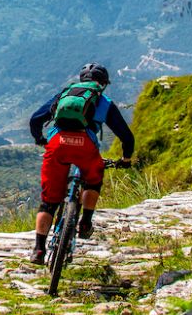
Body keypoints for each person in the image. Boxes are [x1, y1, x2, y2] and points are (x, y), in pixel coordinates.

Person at [28, 62, 134, 265]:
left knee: (49, 201)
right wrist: (125, 159)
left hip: (57, 144)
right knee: (93, 180)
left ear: (81, 79)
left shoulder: (64, 96)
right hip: (85, 146)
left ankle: (38, 250)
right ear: (103, 84)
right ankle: (85, 222)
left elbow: (35, 120)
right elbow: (126, 137)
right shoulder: (104, 102)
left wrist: (40, 139)